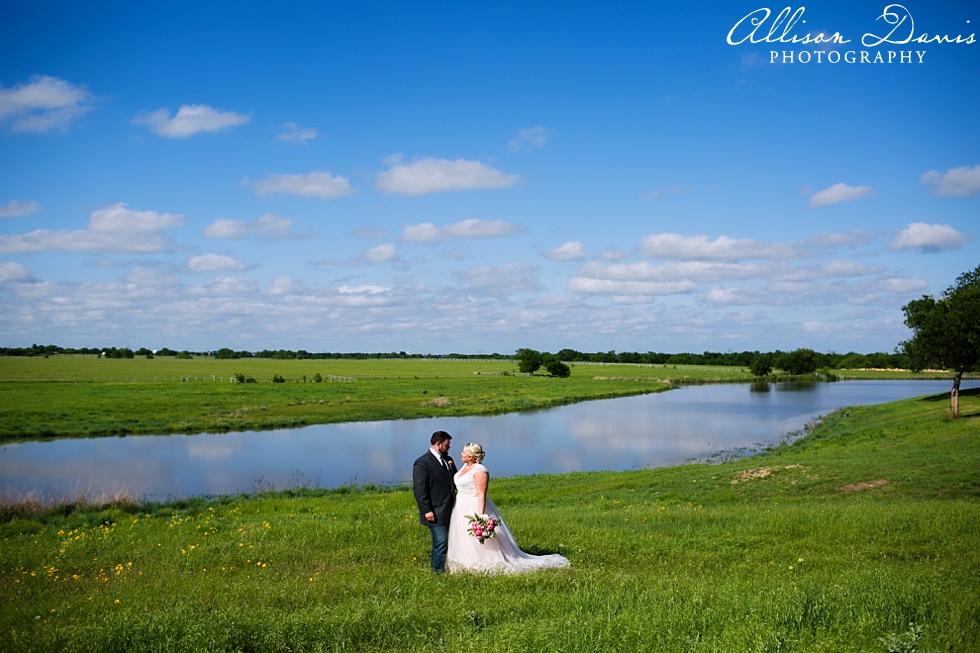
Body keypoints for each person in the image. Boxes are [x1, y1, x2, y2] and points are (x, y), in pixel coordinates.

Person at [447, 442, 570, 574]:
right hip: (460, 505)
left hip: (473, 505)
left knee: (475, 537)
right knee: (461, 535)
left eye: (464, 452)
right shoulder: (465, 466)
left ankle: (482, 559)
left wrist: (480, 517)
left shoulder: (480, 471)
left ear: (471, 456)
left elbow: (481, 494)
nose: (461, 454)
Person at [412, 430, 457, 572]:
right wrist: (427, 510)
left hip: (451, 508)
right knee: (441, 541)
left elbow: (454, 480)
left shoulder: (448, 460)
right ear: (438, 444)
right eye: (446, 445)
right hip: (435, 511)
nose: (448, 447)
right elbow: (420, 489)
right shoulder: (422, 463)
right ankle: (437, 572)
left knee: (451, 540)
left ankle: (450, 566)